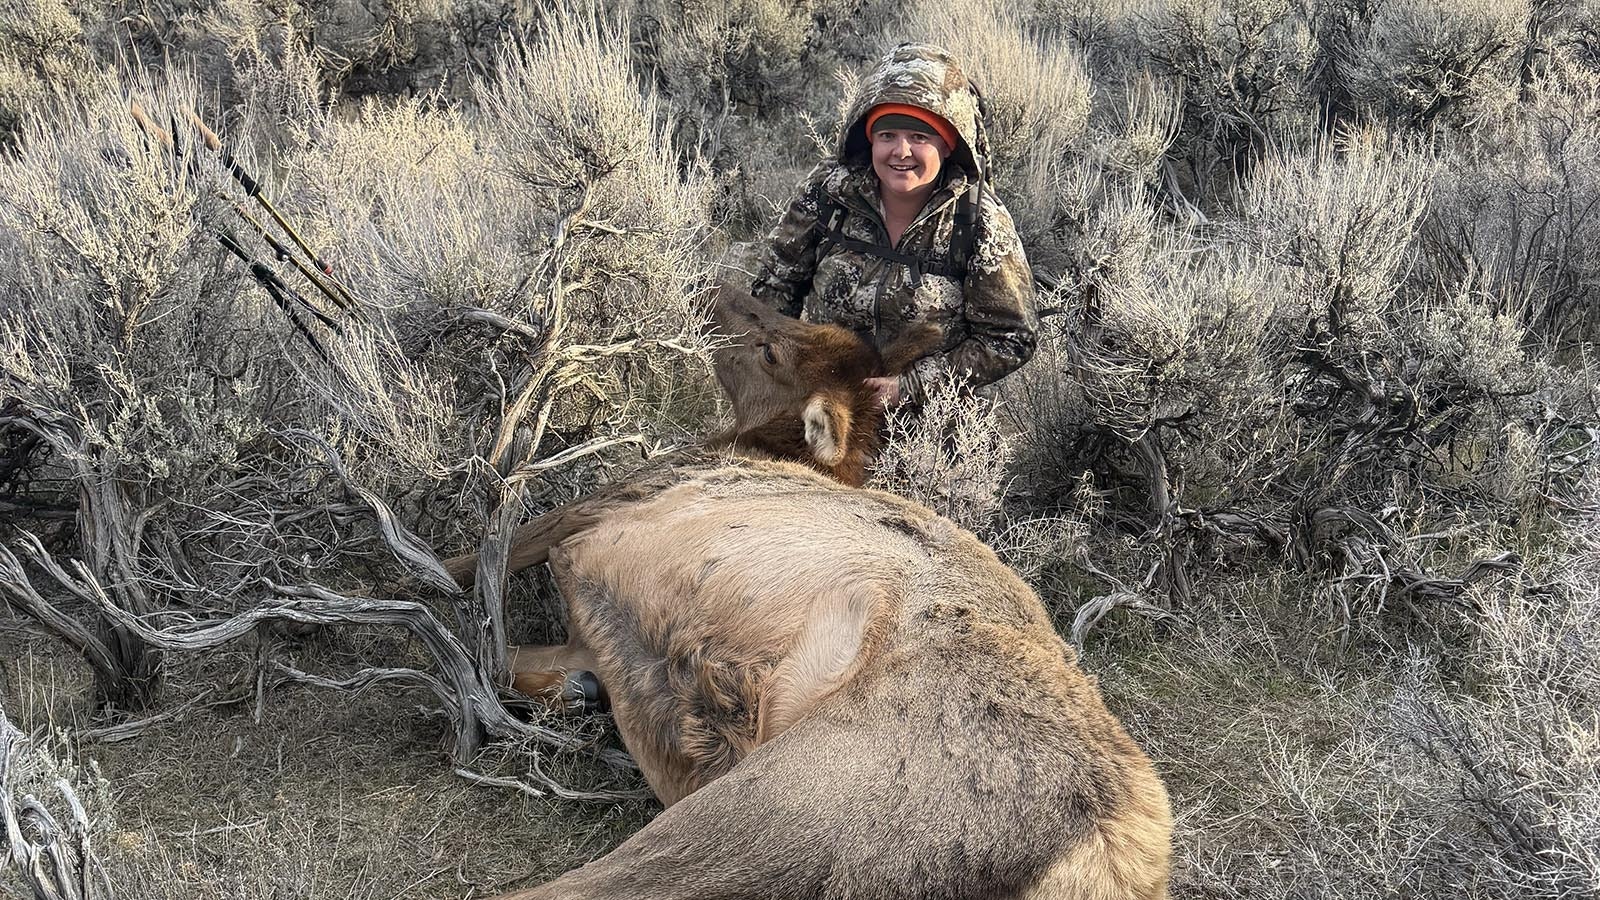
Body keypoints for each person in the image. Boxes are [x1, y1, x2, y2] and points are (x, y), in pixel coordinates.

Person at [748, 42, 1038, 411]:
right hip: (820, 404)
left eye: (920, 137)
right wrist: (778, 369)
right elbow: (776, 286)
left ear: (948, 146)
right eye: (887, 135)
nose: (901, 152)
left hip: (929, 425)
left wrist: (911, 386)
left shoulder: (978, 220)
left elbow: (1010, 338)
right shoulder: (829, 193)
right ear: (869, 139)